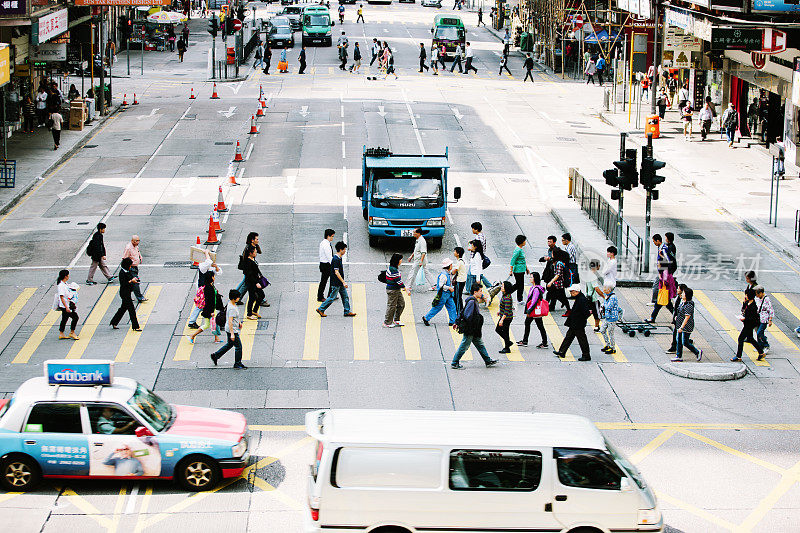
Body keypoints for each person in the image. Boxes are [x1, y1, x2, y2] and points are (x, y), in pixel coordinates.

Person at [451, 283, 498, 369]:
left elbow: (462, 311)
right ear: (475, 292)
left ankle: (488, 361)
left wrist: (457, 322)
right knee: (464, 345)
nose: (481, 293)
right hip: (471, 328)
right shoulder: (472, 301)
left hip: (474, 329)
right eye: (480, 291)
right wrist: (477, 318)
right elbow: (467, 315)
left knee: (480, 344)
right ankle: (454, 363)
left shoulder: (472, 300)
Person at [317, 242, 357, 317]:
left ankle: (347, 311)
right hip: (336, 283)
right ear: (340, 250)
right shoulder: (336, 259)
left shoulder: (339, 258)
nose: (345, 251)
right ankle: (321, 309)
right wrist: (343, 282)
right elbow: (336, 272)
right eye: (344, 249)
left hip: (339, 283)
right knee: (332, 298)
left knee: (345, 296)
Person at [553, 284, 591, 361]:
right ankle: (562, 351)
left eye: (572, 291)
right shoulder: (579, 297)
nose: (571, 293)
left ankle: (586, 355)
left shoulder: (582, 299)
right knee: (568, 337)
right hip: (575, 323)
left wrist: (581, 320)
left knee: (582, 339)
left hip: (578, 323)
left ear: (577, 291)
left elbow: (586, 313)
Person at [210, 290, 247, 369]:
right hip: (232, 329)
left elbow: (235, 317)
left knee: (230, 344)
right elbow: (230, 321)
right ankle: (237, 363)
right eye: (238, 297)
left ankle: (216, 355)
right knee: (238, 347)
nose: (239, 298)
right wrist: (232, 334)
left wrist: (239, 322)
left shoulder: (230, 303)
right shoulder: (232, 308)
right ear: (234, 298)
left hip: (230, 328)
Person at [731, 288, 766, 362]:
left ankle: (738, 356)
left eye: (746, 295)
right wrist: (744, 303)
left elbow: (752, 318)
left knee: (740, 338)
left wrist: (744, 319)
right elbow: (743, 310)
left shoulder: (753, 306)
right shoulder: (747, 303)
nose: (745, 296)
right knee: (750, 338)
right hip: (747, 324)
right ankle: (761, 352)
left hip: (750, 325)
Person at [190, 270, 223, 344]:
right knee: (208, 325)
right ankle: (193, 335)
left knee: (213, 323)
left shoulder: (210, 285)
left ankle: (216, 338)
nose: (214, 277)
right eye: (213, 276)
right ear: (211, 277)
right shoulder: (209, 288)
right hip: (209, 309)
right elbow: (209, 301)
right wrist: (211, 312)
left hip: (210, 309)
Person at [423, 258, 457, 326]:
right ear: (448, 266)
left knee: (452, 307)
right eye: (451, 265)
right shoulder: (443, 275)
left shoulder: (447, 273)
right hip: (443, 295)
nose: (452, 266)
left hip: (448, 295)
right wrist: (449, 288)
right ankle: (426, 318)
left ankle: (453, 321)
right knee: (437, 307)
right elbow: (441, 286)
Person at [110, 257, 141, 332]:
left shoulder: (127, 271)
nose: (130, 267)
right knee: (131, 310)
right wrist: (131, 281)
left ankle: (114, 322)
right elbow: (124, 284)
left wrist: (135, 279)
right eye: (130, 265)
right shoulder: (122, 273)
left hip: (128, 292)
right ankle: (135, 326)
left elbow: (131, 277)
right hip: (124, 293)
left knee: (123, 309)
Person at [517, 271, 547, 349]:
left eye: (531, 277)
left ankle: (526, 341)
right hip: (534, 310)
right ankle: (526, 341)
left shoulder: (536, 289)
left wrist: (529, 310)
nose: (530, 278)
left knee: (537, 325)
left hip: (534, 310)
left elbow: (534, 300)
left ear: (535, 279)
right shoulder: (533, 287)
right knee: (535, 325)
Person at [672, 287, 702, 362]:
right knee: (678, 339)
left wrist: (681, 327)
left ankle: (697, 352)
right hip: (680, 325)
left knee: (684, 342)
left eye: (683, 293)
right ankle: (679, 356)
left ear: (687, 295)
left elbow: (687, 317)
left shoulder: (689, 305)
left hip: (686, 327)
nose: (681, 294)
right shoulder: (683, 302)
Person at [384, 253, 409, 328]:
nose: (401, 261)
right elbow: (398, 281)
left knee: (401, 304)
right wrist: (406, 289)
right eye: (400, 259)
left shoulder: (394, 268)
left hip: (396, 290)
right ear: (397, 261)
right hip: (392, 290)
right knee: (391, 306)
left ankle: (396, 319)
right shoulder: (393, 269)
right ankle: (387, 322)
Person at [242, 245, 266, 320]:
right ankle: (249, 314)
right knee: (252, 297)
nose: (256, 253)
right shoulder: (248, 262)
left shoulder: (252, 259)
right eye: (255, 252)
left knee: (261, 295)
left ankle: (254, 310)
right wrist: (256, 283)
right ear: (250, 253)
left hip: (255, 281)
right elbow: (249, 275)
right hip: (251, 283)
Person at [54, 269, 79, 340]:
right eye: (68, 275)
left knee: (64, 318)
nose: (68, 276)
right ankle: (72, 332)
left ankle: (61, 333)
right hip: (65, 306)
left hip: (65, 305)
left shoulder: (64, 283)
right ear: (65, 276)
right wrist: (67, 307)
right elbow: (61, 297)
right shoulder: (61, 285)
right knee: (75, 317)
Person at [546, 248, 571, 313]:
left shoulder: (559, 263)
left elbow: (558, 274)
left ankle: (568, 309)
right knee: (551, 295)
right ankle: (548, 307)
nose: (551, 254)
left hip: (559, 284)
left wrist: (551, 282)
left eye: (552, 253)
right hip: (556, 283)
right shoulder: (556, 262)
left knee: (561, 297)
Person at [122, 235, 146, 302]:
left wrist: (140, 258)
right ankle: (139, 297)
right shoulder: (128, 248)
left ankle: (127, 296)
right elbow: (124, 259)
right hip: (131, 268)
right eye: (136, 241)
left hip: (135, 267)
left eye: (139, 240)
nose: (138, 242)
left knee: (131, 283)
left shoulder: (135, 246)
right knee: (135, 282)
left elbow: (138, 252)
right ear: (132, 241)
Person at [665, 283, 687, 354]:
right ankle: (687, 342)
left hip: (680, 320)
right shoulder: (679, 297)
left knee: (676, 334)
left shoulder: (684, 300)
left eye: (678, 289)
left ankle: (674, 347)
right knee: (680, 335)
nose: (677, 290)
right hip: (677, 320)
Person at [470, 222, 493, 289]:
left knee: (478, 273)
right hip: (476, 259)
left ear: (476, 229)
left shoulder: (477, 255)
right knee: (475, 274)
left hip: (476, 260)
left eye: (473, 228)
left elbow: (478, 267)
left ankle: (489, 286)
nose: (472, 230)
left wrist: (477, 279)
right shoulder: (480, 236)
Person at [495, 281, 514, 354]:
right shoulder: (504, 295)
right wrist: (500, 312)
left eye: (502, 286)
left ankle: (507, 346)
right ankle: (507, 343)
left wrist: (501, 320)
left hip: (506, 318)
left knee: (503, 331)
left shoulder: (507, 298)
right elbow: (504, 307)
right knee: (502, 331)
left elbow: (507, 310)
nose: (501, 287)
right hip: (504, 316)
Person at [599, 284, 619, 355]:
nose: (603, 289)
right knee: (602, 330)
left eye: (605, 288)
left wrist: (603, 305)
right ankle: (607, 344)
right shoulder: (607, 295)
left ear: (609, 290)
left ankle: (613, 348)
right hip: (606, 317)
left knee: (611, 333)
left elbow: (608, 307)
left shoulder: (613, 297)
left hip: (612, 318)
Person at [754, 286, 774, 356]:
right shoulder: (756, 298)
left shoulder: (766, 299)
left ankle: (766, 345)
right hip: (757, 318)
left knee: (760, 332)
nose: (756, 295)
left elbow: (771, 310)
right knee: (758, 332)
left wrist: (770, 320)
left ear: (761, 293)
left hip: (764, 319)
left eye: (757, 294)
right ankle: (760, 346)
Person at [586, 260, 604, 332]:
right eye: (599, 265)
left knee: (590, 311)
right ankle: (597, 327)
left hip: (588, 296)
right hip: (593, 298)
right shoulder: (593, 276)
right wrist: (603, 296)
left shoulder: (588, 274)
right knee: (597, 313)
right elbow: (596, 288)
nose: (600, 266)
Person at [318, 229, 335, 302]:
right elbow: (329, 257)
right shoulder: (326, 245)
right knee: (325, 281)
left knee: (327, 280)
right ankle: (321, 296)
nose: (332, 238)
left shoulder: (323, 243)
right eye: (332, 236)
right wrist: (334, 265)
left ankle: (330, 294)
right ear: (328, 236)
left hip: (323, 264)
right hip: (326, 265)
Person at [509, 235, 528, 303]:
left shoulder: (520, 249)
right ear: (521, 242)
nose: (525, 242)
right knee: (519, 285)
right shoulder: (517, 250)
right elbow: (513, 260)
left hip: (521, 269)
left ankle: (519, 298)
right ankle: (509, 293)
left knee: (520, 284)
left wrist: (526, 268)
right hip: (518, 270)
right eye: (524, 241)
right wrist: (511, 270)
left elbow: (523, 260)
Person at [453, 247, 467, 315]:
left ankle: (459, 313)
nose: (454, 252)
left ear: (458, 253)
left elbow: (453, 271)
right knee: (456, 296)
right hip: (462, 280)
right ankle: (459, 312)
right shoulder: (461, 261)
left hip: (460, 281)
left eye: (455, 251)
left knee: (458, 297)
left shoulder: (459, 262)